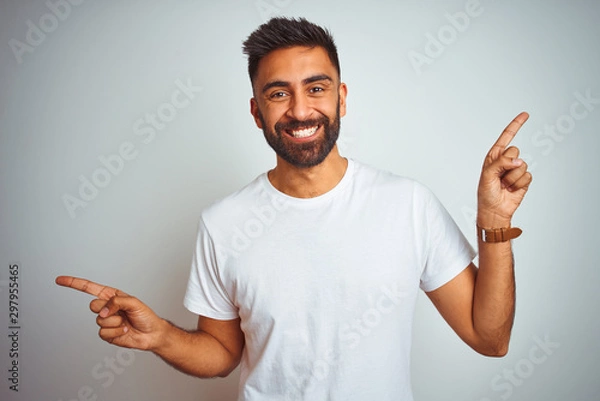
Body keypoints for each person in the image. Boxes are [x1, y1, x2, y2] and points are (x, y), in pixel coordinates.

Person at [56, 17, 532, 400]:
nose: (301, 110)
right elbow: (221, 354)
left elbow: (489, 339)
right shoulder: (223, 223)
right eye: (279, 93)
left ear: (341, 99)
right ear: (257, 111)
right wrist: (160, 335)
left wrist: (493, 224)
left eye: (317, 88)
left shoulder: (407, 204)